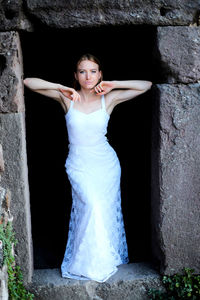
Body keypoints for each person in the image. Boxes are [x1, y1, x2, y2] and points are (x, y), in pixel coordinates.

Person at [23, 53, 152, 282]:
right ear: (76, 75)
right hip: (79, 163)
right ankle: (86, 263)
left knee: (101, 212)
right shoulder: (67, 98)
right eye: (82, 71)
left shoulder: (108, 99)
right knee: (90, 207)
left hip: (106, 164)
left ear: (100, 74)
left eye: (93, 71)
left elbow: (146, 85)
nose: (88, 76)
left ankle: (100, 262)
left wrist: (115, 84)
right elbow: (28, 82)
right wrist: (61, 87)